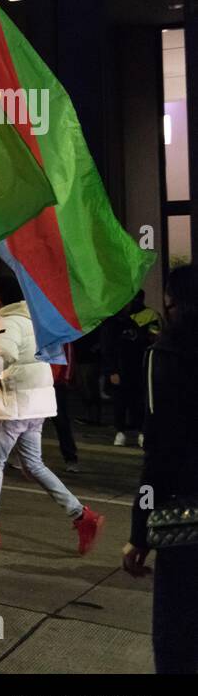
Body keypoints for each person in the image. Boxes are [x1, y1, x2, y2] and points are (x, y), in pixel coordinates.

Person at [0, 277, 105, 553]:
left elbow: (3, 353)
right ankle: (82, 516)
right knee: (34, 465)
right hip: (35, 405)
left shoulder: (7, 322)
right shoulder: (32, 320)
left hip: (13, 405)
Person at [122, 265, 198, 673]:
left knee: (178, 641)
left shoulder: (164, 357)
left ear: (172, 305)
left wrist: (140, 534)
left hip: (186, 519)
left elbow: (160, 452)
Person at [103, 291, 161, 447]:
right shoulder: (112, 324)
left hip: (136, 369)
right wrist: (112, 371)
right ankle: (120, 432)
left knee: (138, 402)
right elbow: (108, 349)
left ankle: (140, 432)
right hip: (121, 370)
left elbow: (149, 338)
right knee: (121, 403)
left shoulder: (138, 320)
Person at [49, 343, 79, 472]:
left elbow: (69, 356)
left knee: (61, 421)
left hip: (57, 384)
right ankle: (23, 457)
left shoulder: (61, 333)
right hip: (39, 381)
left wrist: (65, 379)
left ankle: (70, 458)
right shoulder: (35, 331)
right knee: (29, 421)